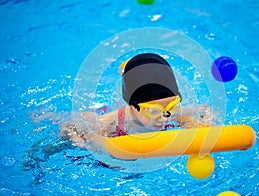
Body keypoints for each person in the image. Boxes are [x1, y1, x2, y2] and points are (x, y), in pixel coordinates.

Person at [60, 53, 217, 149]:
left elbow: (204, 109)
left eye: (171, 105)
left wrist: (205, 122)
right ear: (132, 107)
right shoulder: (113, 121)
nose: (164, 118)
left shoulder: (173, 113)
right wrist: (89, 140)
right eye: (153, 111)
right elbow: (71, 125)